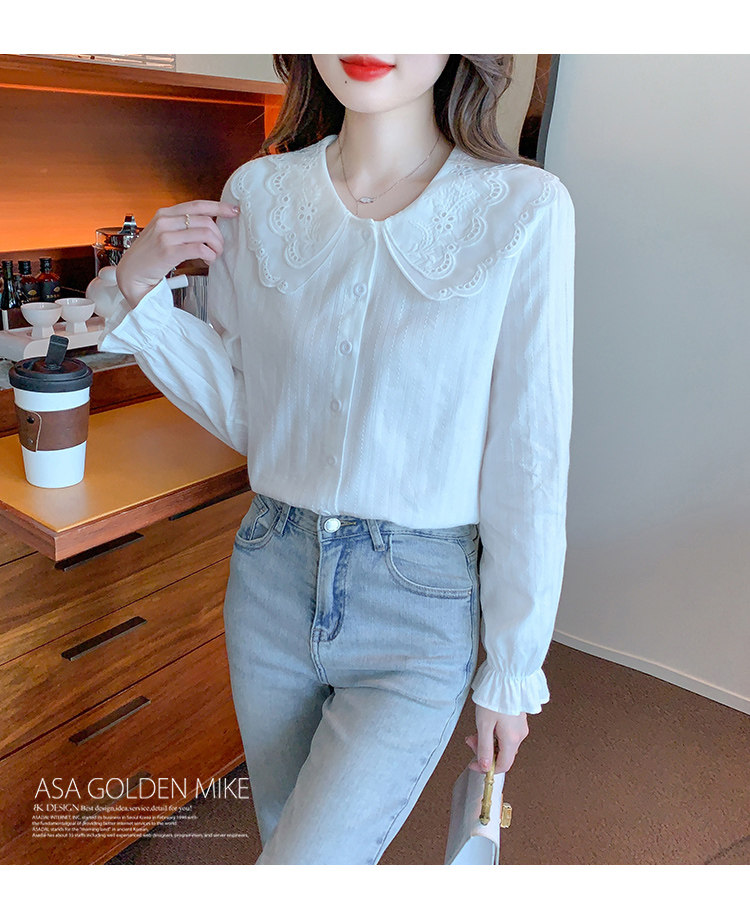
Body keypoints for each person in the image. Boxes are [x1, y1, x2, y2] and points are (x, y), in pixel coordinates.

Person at [102, 54, 575, 864]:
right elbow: (257, 412)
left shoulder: (524, 207)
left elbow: (528, 458)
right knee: (289, 839)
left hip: (417, 605)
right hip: (270, 579)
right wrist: (139, 293)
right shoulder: (258, 193)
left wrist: (512, 665)